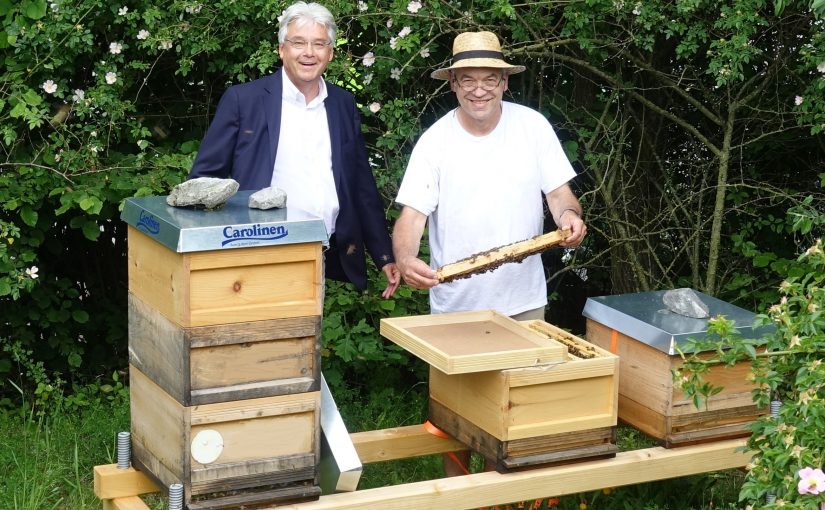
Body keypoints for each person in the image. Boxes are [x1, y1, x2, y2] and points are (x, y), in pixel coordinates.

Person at [392, 31, 587, 475]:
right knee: (455, 417)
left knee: (525, 410)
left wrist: (570, 217)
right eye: (468, 79)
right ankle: (459, 496)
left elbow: (560, 194)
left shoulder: (533, 127)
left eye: (489, 79)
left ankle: (520, 495)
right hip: (459, 309)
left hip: (523, 301)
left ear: (504, 83)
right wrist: (406, 259)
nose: (479, 89)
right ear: (453, 84)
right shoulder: (434, 142)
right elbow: (411, 217)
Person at [189, 1, 399, 298]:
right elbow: (204, 182)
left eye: (318, 44)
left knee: (306, 338)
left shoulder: (343, 104)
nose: (308, 53)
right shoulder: (243, 100)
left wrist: (383, 255)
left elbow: (360, 183)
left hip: (322, 250)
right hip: (256, 254)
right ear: (281, 50)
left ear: (330, 53)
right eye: (298, 43)